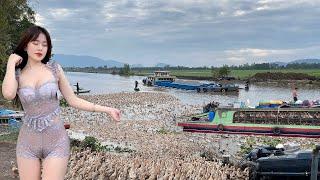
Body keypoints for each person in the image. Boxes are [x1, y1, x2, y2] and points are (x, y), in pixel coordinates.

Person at [1, 25, 121, 180]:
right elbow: (9, 94)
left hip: (56, 142)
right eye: (35, 43)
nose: (40, 48)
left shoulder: (54, 69)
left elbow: (73, 100)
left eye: (45, 45)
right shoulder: (17, 74)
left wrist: (107, 109)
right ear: (25, 45)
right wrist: (10, 64)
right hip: (27, 143)